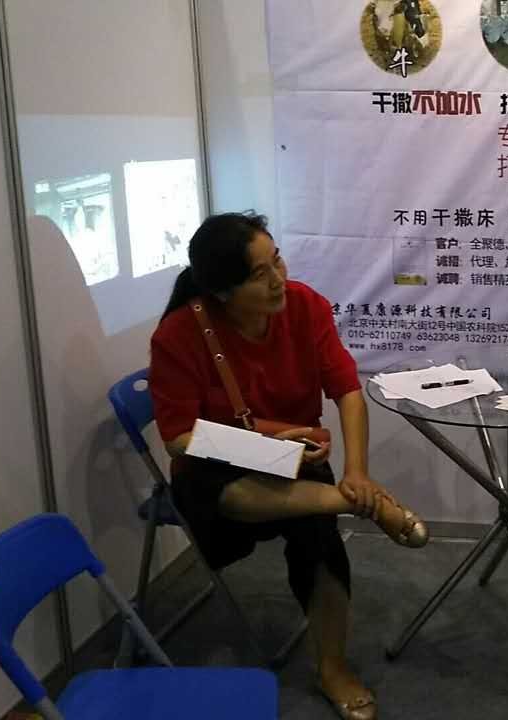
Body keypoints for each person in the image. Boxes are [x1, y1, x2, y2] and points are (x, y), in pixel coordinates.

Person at [149, 211, 427, 720]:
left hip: (293, 461)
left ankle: (332, 668)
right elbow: (180, 440)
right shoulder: (179, 333)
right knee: (221, 484)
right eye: (260, 274)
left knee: (318, 537)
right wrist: (264, 441)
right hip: (218, 468)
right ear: (223, 290)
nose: (279, 279)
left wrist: (358, 472)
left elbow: (347, 390)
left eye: (277, 261)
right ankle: (351, 504)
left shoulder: (304, 306)